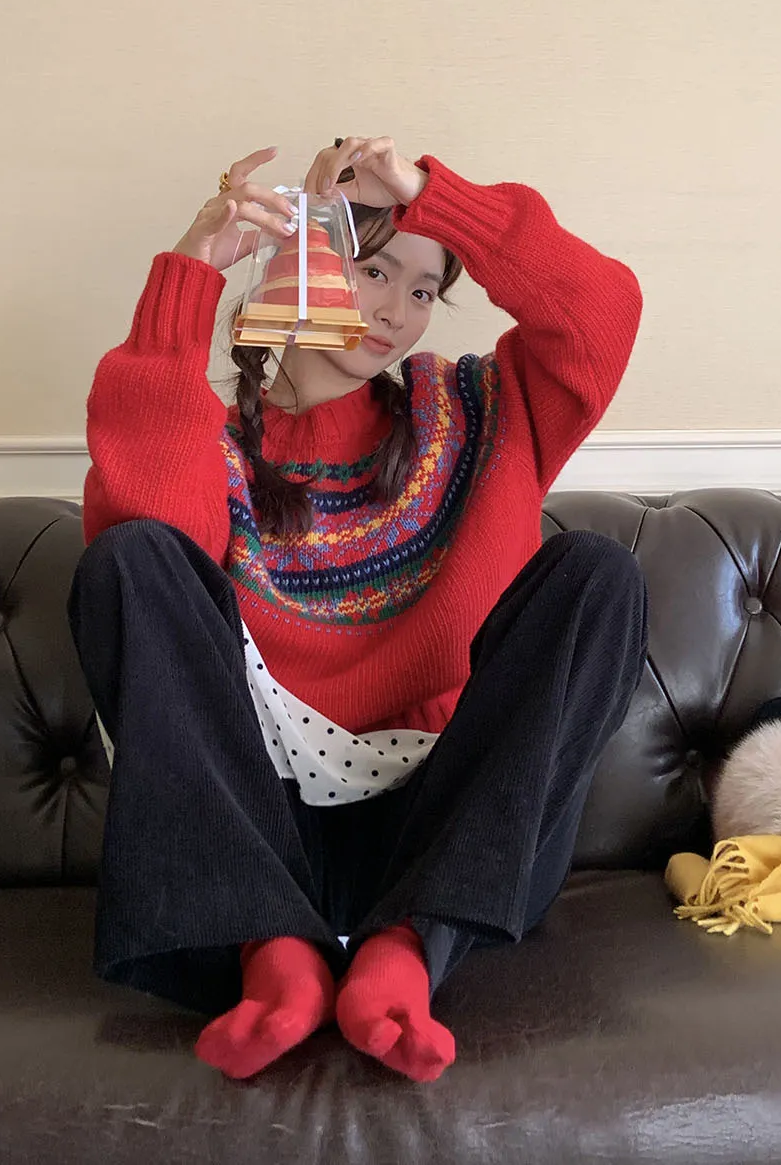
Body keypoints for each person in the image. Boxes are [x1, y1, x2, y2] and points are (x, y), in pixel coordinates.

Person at [69, 136, 649, 1084]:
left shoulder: (483, 410)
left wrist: (437, 198)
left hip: (447, 840)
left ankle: (405, 951)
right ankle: (271, 949)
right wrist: (187, 280)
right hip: (258, 837)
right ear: (297, 256)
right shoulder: (212, 442)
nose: (396, 312)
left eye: (423, 289)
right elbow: (150, 542)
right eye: (375, 268)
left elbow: (602, 312)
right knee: (130, 560)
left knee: (599, 574)